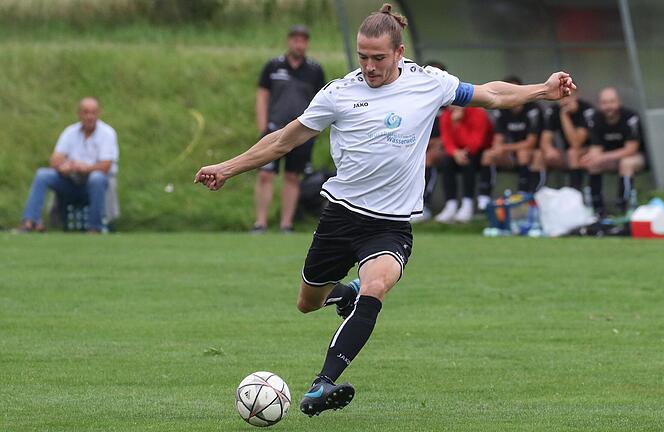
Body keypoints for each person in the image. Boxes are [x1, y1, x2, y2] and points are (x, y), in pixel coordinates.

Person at [195, 3, 575, 418]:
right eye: (363, 57)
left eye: (378, 57)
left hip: (390, 225)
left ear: (398, 52)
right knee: (307, 302)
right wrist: (227, 168)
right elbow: (283, 140)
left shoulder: (428, 83)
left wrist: (543, 89)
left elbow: (491, 94)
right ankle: (348, 292)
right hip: (341, 216)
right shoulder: (339, 93)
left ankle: (323, 383)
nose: (370, 67)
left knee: (377, 285)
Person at [253, 24, 326, 233]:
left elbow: (321, 100)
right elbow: (262, 96)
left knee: (292, 177)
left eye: (303, 40)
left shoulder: (314, 69)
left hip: (301, 133)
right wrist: (263, 126)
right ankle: (260, 222)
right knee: (265, 175)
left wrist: (315, 129)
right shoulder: (273, 66)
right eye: (295, 39)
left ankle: (286, 224)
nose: (299, 44)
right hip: (274, 129)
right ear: (289, 41)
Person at [18, 97, 118, 233]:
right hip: (72, 182)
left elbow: (106, 166)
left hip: (94, 186)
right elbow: (55, 160)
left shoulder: (107, 133)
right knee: (43, 175)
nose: (90, 116)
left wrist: (85, 167)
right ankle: (30, 221)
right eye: (86, 112)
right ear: (79, 114)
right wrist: (65, 167)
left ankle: (95, 227)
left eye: (93, 112)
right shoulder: (70, 132)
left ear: (99, 113)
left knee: (97, 178)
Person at [581, 87, 645, 215]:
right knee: (592, 163)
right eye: (604, 103)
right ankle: (597, 209)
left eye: (611, 101)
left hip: (635, 157)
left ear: (618, 102)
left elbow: (630, 149)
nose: (608, 106)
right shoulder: (595, 118)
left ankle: (623, 207)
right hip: (610, 159)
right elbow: (596, 148)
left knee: (626, 163)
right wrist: (590, 158)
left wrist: (602, 157)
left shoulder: (630, 117)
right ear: (599, 104)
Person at [480, 76, 542, 195]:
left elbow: (530, 143)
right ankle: (484, 197)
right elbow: (498, 139)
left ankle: (523, 192)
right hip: (509, 154)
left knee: (523, 153)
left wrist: (505, 148)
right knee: (488, 155)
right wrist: (498, 148)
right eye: (508, 90)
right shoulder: (500, 110)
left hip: (530, 153)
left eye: (514, 90)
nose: (512, 94)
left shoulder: (533, 110)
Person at [433, 105, 494, 223]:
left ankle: (467, 204)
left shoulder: (478, 113)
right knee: (447, 162)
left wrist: (457, 124)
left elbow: (476, 142)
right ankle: (451, 205)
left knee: (468, 161)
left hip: (478, 151)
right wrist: (455, 153)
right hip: (458, 152)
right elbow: (447, 140)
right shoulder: (446, 115)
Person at [411, 60, 448, 223]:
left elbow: (451, 135)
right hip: (419, 146)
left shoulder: (450, 100)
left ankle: (423, 205)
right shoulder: (415, 101)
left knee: (429, 157)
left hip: (444, 147)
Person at [535, 89, 592, 190]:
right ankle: (535, 194)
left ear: (576, 96)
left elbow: (576, 143)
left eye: (568, 96)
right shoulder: (553, 110)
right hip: (566, 154)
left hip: (587, 152)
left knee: (573, 153)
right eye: (562, 96)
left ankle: (575, 193)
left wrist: (564, 115)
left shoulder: (586, 110)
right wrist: (549, 150)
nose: (565, 100)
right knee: (539, 155)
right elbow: (545, 140)